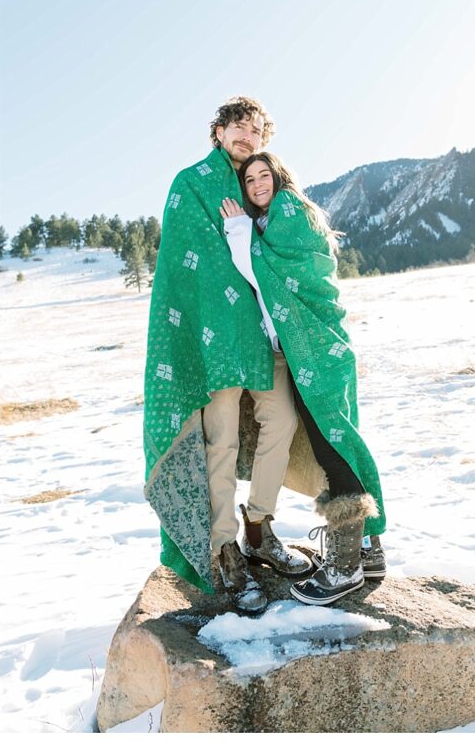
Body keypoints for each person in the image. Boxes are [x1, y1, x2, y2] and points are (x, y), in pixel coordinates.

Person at [143, 97, 313, 617]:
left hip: (262, 335)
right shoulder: (190, 183)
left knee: (281, 422)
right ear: (217, 132)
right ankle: (223, 550)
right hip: (215, 340)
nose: (248, 136)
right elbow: (186, 264)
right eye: (238, 126)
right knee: (220, 440)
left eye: (257, 129)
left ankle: (259, 527)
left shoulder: (263, 188)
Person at [218, 151, 387, 605]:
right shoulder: (273, 221)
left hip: (316, 348)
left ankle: (344, 570)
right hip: (314, 349)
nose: (256, 184)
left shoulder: (289, 211)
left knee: (333, 448)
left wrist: (238, 232)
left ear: (278, 176)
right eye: (249, 179)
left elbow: (264, 273)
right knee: (339, 440)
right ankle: (368, 551)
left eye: (262, 175)